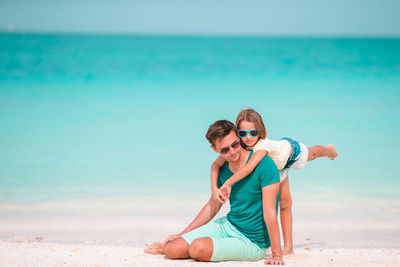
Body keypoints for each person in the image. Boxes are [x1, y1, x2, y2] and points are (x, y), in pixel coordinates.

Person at [145, 120, 284, 265]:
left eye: (235, 144)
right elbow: (212, 206)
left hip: (252, 241)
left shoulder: (264, 165)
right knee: (172, 249)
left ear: (238, 137)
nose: (232, 152)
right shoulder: (222, 169)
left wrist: (277, 255)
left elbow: (270, 212)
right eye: (224, 150)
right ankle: (196, 245)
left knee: (197, 248)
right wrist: (182, 234)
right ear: (214, 149)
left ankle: (209, 246)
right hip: (229, 225)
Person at [211, 108, 338, 255]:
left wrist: (227, 183)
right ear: (237, 133)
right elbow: (215, 165)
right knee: (284, 204)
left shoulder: (262, 146)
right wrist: (214, 188)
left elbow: (248, 168)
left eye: (253, 133)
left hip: (291, 154)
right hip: (277, 169)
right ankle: (288, 248)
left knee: (313, 153)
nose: (248, 138)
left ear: (260, 130)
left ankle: (329, 152)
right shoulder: (237, 146)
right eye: (243, 133)